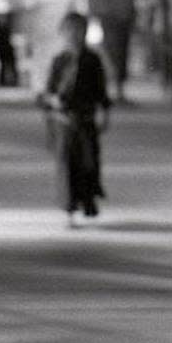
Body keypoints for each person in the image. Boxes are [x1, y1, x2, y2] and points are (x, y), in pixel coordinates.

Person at [41, 13, 111, 225]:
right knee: (67, 165)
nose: (74, 35)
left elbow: (101, 91)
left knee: (89, 162)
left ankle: (88, 201)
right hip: (64, 121)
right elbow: (48, 91)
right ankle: (69, 208)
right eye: (70, 30)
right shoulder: (59, 61)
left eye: (79, 30)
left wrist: (105, 114)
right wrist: (53, 104)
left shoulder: (93, 60)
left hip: (86, 119)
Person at [20, 0, 86, 93]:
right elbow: (27, 11)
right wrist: (26, 37)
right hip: (41, 36)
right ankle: (42, 94)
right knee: (42, 69)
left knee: (62, 67)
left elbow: (77, 13)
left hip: (63, 35)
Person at [89, 0, 139, 105]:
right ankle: (111, 91)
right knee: (113, 55)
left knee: (120, 56)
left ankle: (118, 91)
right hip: (111, 19)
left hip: (122, 19)